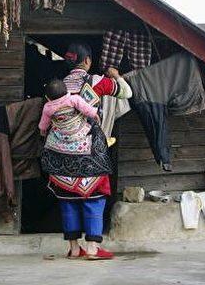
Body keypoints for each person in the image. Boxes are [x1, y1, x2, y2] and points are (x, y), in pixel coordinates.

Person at [40, 42, 132, 260]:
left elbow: (44, 123)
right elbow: (127, 93)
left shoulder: (58, 87)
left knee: (67, 197)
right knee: (95, 197)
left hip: (59, 153)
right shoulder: (98, 82)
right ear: (88, 61)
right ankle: (92, 248)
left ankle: (74, 248)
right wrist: (115, 75)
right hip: (89, 153)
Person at [38, 79, 100, 155]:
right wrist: (94, 114)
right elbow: (86, 109)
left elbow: (45, 121)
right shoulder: (74, 99)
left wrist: (42, 130)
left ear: (47, 97)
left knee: (51, 133)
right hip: (78, 131)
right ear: (67, 91)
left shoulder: (47, 107)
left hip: (61, 134)